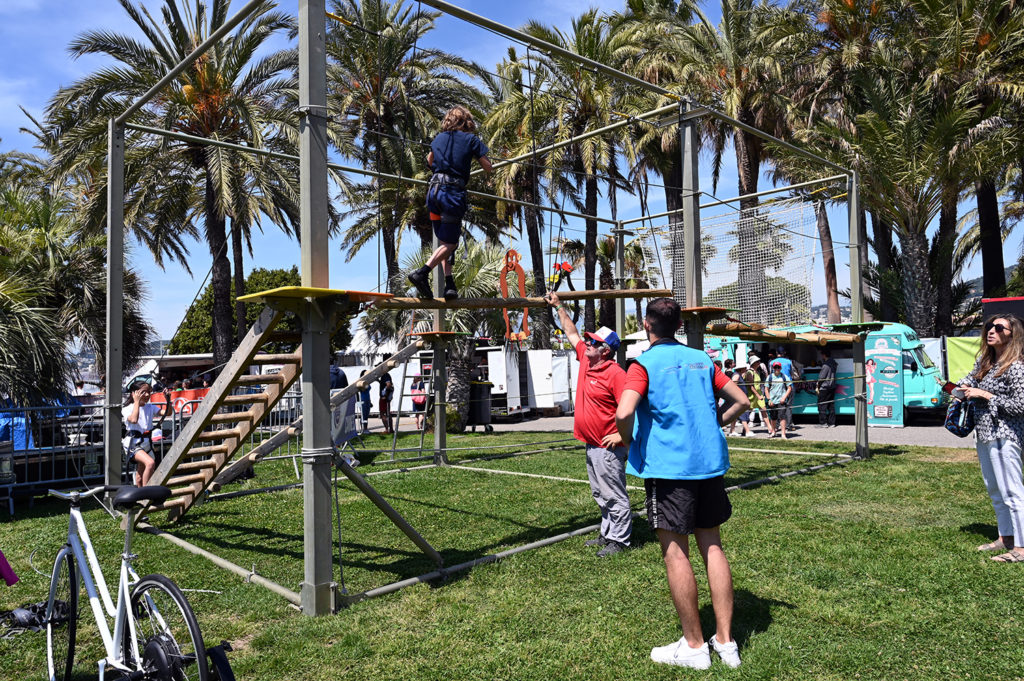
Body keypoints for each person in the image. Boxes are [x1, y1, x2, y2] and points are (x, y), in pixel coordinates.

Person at [615, 298, 749, 669]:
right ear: (676, 325)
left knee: (676, 553)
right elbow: (741, 400)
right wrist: (713, 424)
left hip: (669, 469)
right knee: (713, 547)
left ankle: (694, 647)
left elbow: (624, 411)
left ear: (647, 325)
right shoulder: (702, 359)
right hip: (708, 465)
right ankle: (726, 642)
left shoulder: (642, 364)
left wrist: (628, 440)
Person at [545, 292, 630, 558]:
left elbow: (631, 408)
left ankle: (620, 540)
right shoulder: (586, 360)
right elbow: (571, 332)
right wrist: (559, 306)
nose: (587, 342)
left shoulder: (616, 374)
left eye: (594, 341)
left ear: (606, 351)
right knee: (600, 492)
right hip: (592, 444)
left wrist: (621, 435)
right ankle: (608, 533)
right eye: (589, 340)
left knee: (614, 493)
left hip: (608, 445)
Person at [407, 106, 493, 301]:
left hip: (433, 192)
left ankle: (449, 285)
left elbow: (429, 161)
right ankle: (422, 273)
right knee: (451, 243)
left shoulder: (438, 139)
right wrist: (487, 164)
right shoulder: (471, 140)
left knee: (446, 242)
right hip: (452, 194)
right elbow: (488, 167)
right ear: (467, 122)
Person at [958, 314, 1024, 563]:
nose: (992, 331)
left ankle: (1021, 548)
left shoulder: (1016, 366)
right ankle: (1005, 537)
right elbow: (968, 380)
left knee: (1012, 491)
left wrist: (986, 395)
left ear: (1012, 334)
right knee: (995, 490)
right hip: (984, 433)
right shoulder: (985, 363)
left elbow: (1020, 405)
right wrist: (956, 389)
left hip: (1005, 434)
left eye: (999, 327)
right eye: (989, 326)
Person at [122, 379, 171, 487]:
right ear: (134, 393)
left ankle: (141, 497)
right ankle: (146, 495)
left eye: (149, 391)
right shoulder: (127, 408)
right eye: (143, 392)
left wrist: (168, 399)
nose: (147, 394)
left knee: (140, 473)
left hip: (146, 443)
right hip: (133, 444)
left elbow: (168, 412)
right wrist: (136, 402)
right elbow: (134, 419)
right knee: (150, 463)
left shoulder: (150, 407)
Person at [764, 362, 793, 439]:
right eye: (775, 367)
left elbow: (789, 388)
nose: (777, 369)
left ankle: (783, 434)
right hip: (772, 400)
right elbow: (766, 389)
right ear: (773, 368)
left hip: (781, 400)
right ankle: (773, 432)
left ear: (780, 368)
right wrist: (769, 399)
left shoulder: (784, 376)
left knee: (782, 417)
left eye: (778, 367)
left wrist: (784, 397)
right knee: (773, 417)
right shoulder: (769, 377)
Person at [726, 364, 753, 438]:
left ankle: (732, 431)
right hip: (738, 398)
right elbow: (733, 386)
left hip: (739, 397)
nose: (746, 369)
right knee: (743, 414)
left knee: (735, 415)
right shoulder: (736, 376)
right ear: (741, 368)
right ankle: (747, 431)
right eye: (744, 368)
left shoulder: (739, 375)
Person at [817, 347, 838, 428]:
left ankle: (823, 423)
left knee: (822, 405)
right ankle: (832, 423)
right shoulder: (834, 363)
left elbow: (821, 377)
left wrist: (817, 385)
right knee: (831, 405)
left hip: (825, 387)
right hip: (832, 386)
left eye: (822, 354)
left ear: (824, 355)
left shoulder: (826, 365)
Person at [379, 369, 395, 434]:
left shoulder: (385, 375)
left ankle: (387, 429)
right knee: (388, 413)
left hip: (384, 398)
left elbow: (388, 385)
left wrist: (385, 394)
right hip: (386, 398)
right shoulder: (386, 375)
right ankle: (390, 429)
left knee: (383, 413)